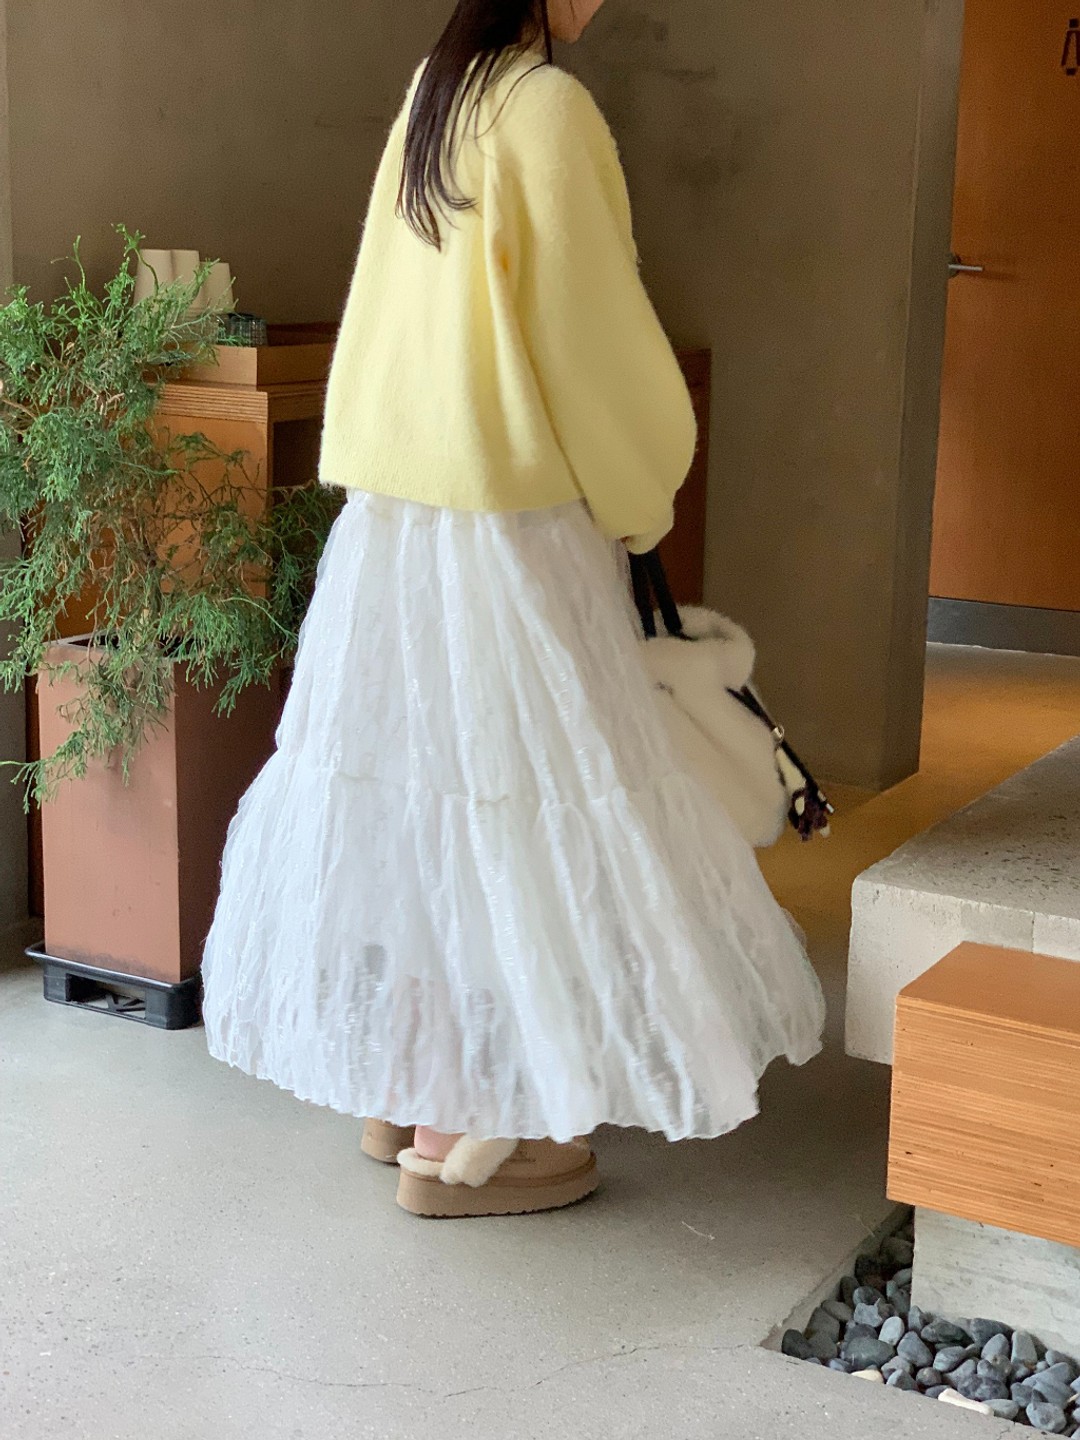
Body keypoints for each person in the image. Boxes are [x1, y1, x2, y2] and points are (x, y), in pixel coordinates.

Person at [201, 0, 825, 1219]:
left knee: (421, 795)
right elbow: (591, 345)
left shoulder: (439, 92)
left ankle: (407, 1088)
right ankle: (479, 1127)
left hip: (395, 528)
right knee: (519, 802)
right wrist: (644, 490)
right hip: (509, 531)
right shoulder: (547, 111)